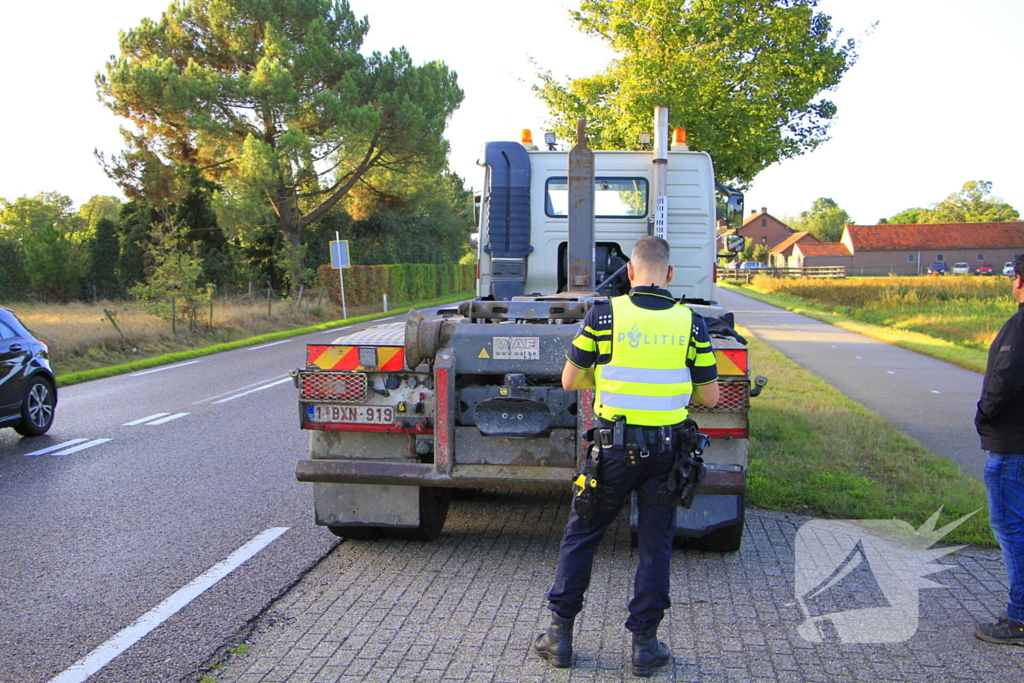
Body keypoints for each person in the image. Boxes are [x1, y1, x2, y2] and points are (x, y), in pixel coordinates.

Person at [534, 235, 719, 676]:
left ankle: (560, 638)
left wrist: (604, 380)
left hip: (611, 452)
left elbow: (569, 380)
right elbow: (710, 396)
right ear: (669, 275)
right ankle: (645, 647)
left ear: (631, 273)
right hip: (668, 454)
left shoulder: (603, 315)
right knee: (656, 547)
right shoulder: (691, 323)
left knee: (582, 535)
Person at [975, 253, 1024, 645]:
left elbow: (1003, 382)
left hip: (1012, 446)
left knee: (1012, 529)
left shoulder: (1020, 326)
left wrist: (984, 417)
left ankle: (1019, 619)